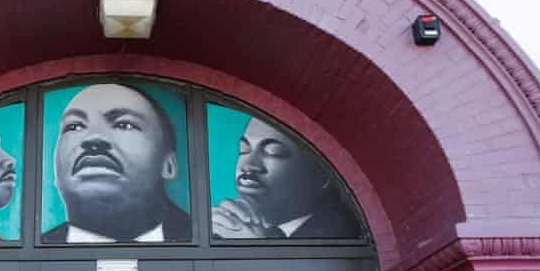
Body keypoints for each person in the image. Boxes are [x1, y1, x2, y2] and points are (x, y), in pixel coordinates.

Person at [42, 83, 191, 243]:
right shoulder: (16, 255)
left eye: (124, 125)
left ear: (168, 165)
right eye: (75, 126)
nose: (94, 138)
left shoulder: (212, 240)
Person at [211, 117, 360, 239]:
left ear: (322, 175)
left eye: (273, 152)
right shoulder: (221, 229)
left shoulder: (343, 235)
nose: (248, 165)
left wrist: (260, 252)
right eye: (243, 150)